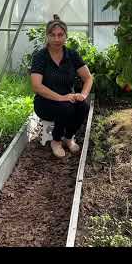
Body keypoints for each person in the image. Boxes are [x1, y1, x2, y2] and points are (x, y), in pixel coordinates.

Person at [30, 14, 93, 158]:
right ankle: (56, 141)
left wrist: (82, 95)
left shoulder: (71, 55)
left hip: (66, 99)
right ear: (47, 36)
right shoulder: (41, 57)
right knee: (65, 107)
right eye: (53, 35)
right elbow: (36, 86)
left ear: (66, 36)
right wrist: (61, 98)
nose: (57, 39)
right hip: (44, 102)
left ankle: (68, 137)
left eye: (60, 35)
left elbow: (88, 78)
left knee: (83, 106)